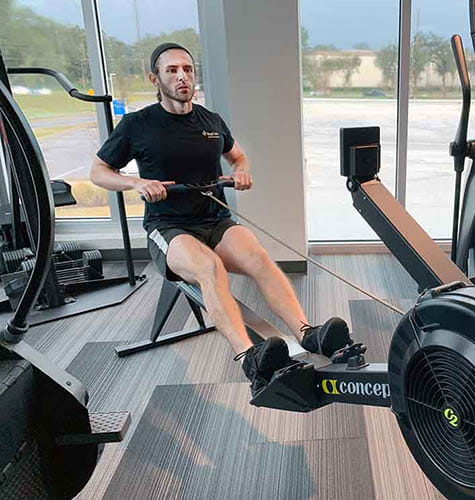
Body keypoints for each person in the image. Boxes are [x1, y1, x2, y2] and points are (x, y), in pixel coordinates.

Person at [90, 42, 351, 397]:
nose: (182, 77)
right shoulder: (137, 125)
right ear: (155, 78)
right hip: (169, 227)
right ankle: (250, 358)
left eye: (187, 69)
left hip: (215, 218)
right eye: (172, 71)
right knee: (209, 267)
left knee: (259, 258)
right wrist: (136, 182)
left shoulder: (210, 121)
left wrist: (242, 172)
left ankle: (307, 332)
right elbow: (99, 172)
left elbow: (238, 157)